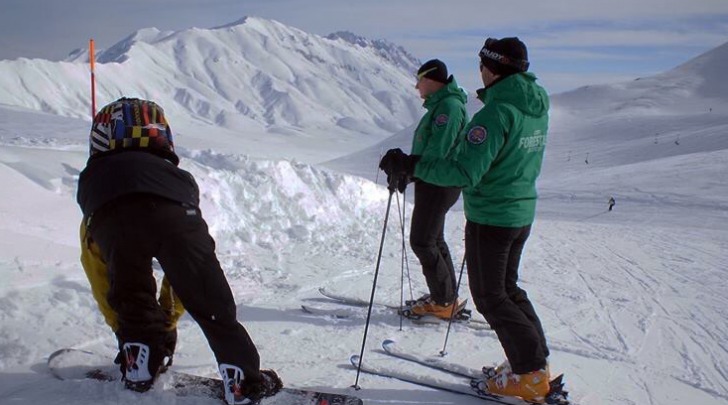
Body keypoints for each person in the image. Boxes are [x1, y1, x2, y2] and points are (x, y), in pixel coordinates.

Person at [76, 97, 282, 404]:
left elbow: (97, 267)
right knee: (213, 305)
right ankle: (243, 382)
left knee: (130, 292)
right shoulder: (175, 177)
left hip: (109, 218)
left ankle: (139, 363)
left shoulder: (93, 180)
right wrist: (170, 318)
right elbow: (183, 272)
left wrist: (127, 325)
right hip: (178, 216)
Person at [379, 37, 552, 402]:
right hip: (519, 210)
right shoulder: (534, 106)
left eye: (482, 66)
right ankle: (534, 365)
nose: (481, 73)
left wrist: (412, 165)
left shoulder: (496, 113)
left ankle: (529, 372)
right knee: (508, 289)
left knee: (490, 297)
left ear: (492, 68)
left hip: (492, 214)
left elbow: (463, 170)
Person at [403, 59, 468, 319]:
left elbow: (437, 151)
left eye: (420, 80)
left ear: (431, 80)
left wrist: (411, 167)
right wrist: (410, 170)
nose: (417, 86)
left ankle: (443, 302)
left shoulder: (448, 108)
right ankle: (446, 296)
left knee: (422, 241)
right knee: (434, 239)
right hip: (433, 180)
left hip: (437, 182)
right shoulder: (443, 105)